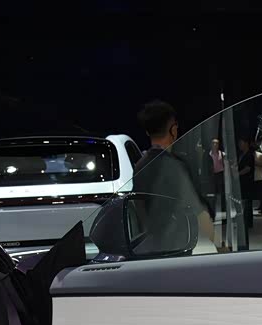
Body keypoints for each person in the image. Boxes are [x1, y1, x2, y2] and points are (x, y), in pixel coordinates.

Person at [95, 99, 224, 256]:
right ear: (173, 129)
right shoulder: (172, 166)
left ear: (147, 132)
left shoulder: (140, 165)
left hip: (148, 249)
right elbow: (199, 213)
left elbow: (139, 210)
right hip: (174, 249)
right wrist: (221, 247)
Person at [237, 136, 255, 229]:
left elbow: (248, 168)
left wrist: (238, 174)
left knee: (247, 202)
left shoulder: (249, 155)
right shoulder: (241, 155)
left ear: (246, 144)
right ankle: (247, 221)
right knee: (245, 202)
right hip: (242, 181)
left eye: (241, 143)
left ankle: (247, 222)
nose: (240, 145)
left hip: (247, 181)